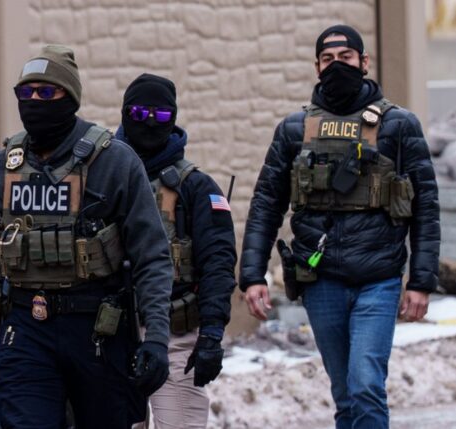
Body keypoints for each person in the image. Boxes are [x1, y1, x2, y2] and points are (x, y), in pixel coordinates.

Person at [0, 45, 173, 428]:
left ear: (70, 97)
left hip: (98, 332)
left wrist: (156, 337)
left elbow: (152, 256)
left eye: (46, 92)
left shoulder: (115, 162)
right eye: (26, 93)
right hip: (25, 329)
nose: (34, 101)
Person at [240, 25, 439, 429]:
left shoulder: (399, 126)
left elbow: (427, 207)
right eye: (328, 59)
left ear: (364, 62)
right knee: (346, 395)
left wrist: (420, 280)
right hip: (321, 279)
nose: (337, 66)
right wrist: (252, 274)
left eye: (345, 57)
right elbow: (266, 204)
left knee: (366, 385)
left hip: (378, 279)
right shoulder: (295, 130)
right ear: (316, 67)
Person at [118, 74, 236, 429]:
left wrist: (212, 334)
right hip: (112, 337)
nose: (150, 122)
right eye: (139, 113)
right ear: (124, 114)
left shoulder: (196, 187)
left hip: (176, 338)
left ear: (174, 119)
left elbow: (218, 263)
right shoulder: (104, 174)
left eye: (161, 116)